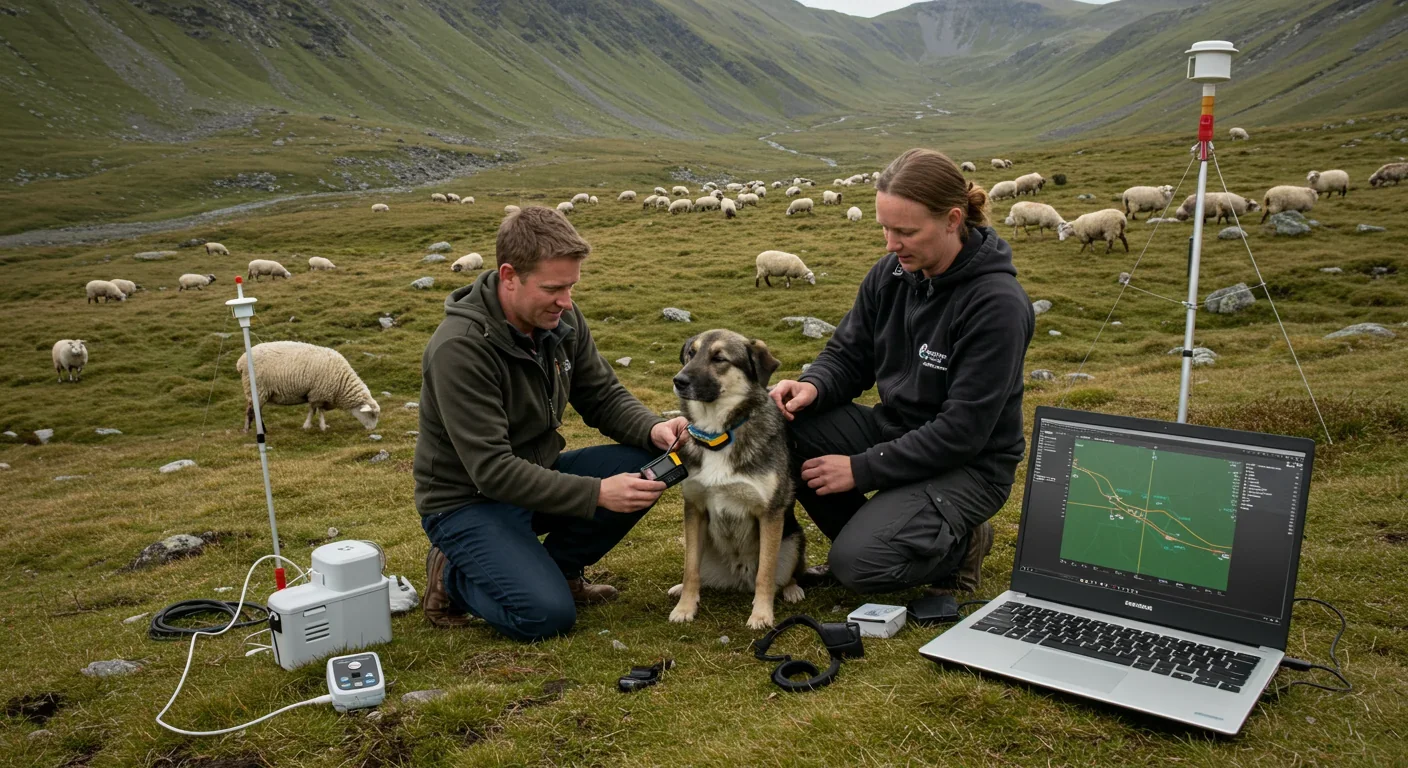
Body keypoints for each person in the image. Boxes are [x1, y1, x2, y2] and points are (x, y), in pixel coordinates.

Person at [414, 206, 688, 642]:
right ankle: (453, 579)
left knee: (654, 461)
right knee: (544, 617)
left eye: (572, 286)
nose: (566, 301)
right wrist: (598, 493)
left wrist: (653, 429)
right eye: (553, 288)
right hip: (468, 501)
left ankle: (560, 570)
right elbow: (492, 470)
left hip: (537, 478)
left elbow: (602, 395)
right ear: (509, 276)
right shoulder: (459, 350)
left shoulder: (560, 320)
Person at [769, 148, 1035, 596]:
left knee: (857, 567)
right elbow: (849, 354)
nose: (890, 245)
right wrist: (812, 385)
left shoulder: (997, 305)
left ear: (953, 220)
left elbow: (962, 431)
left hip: (969, 466)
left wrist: (861, 469)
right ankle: (892, 531)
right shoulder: (892, 273)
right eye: (886, 229)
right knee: (789, 422)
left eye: (905, 231)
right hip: (896, 431)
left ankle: (961, 543)